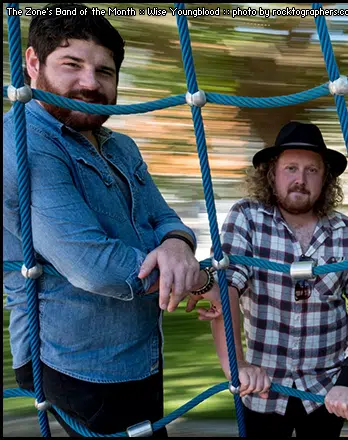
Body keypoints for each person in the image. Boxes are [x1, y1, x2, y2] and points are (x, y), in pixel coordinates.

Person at [3, 3, 212, 437]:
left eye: (104, 71)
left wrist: (177, 246)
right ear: (33, 63)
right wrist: (195, 279)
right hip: (74, 360)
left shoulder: (120, 146)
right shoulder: (23, 141)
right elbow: (94, 266)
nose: (90, 83)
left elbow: (162, 217)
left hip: (137, 352)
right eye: (72, 65)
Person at [188, 121, 348, 438]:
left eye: (312, 170)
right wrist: (236, 365)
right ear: (272, 173)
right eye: (291, 168)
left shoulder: (344, 231)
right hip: (262, 386)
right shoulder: (247, 217)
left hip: (327, 388)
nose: (301, 179)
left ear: (325, 178)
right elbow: (227, 287)